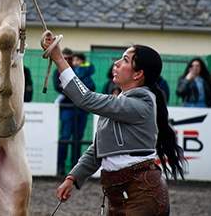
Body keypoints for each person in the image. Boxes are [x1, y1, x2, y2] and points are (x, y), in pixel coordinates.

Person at [45, 35, 184, 215]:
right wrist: (72, 178)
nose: (116, 63)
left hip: (142, 194)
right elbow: (99, 149)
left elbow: (85, 98)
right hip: (122, 194)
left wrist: (59, 58)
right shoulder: (123, 101)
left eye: (125, 60)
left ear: (138, 74)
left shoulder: (142, 101)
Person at [56, 50, 97, 173]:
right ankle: (61, 166)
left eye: (71, 59)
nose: (70, 61)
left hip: (80, 110)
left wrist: (71, 90)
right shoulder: (61, 72)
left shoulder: (79, 72)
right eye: (66, 58)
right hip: (70, 109)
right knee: (65, 137)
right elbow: (60, 87)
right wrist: (77, 91)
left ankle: (75, 167)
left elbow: (89, 88)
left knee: (77, 139)